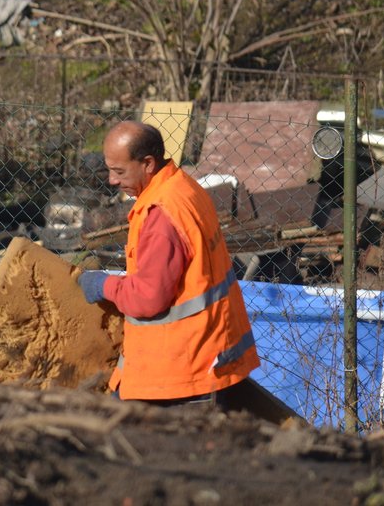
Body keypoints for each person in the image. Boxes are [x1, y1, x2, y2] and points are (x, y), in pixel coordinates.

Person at [78, 120, 260, 407]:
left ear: (148, 163)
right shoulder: (182, 188)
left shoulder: (161, 216)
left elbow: (147, 298)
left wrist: (103, 285)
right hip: (205, 354)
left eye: (119, 171)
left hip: (181, 371)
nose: (112, 180)